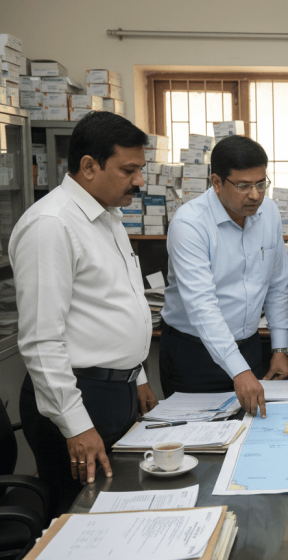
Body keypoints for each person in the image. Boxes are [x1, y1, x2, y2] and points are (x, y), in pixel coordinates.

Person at [11, 111, 159, 515]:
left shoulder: (106, 214)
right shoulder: (51, 225)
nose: (139, 181)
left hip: (116, 390)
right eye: (129, 170)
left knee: (115, 507)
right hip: (79, 396)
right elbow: (41, 340)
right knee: (78, 517)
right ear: (88, 166)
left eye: (140, 169)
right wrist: (76, 423)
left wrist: (139, 375)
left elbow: (117, 301)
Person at [161, 135, 288, 419]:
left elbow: (277, 283)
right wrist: (239, 370)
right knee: (197, 442)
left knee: (251, 437)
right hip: (195, 354)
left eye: (261, 184)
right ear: (217, 183)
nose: (255, 195)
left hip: (249, 347)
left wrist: (280, 346)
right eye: (243, 186)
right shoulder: (190, 224)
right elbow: (201, 306)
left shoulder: (268, 213)